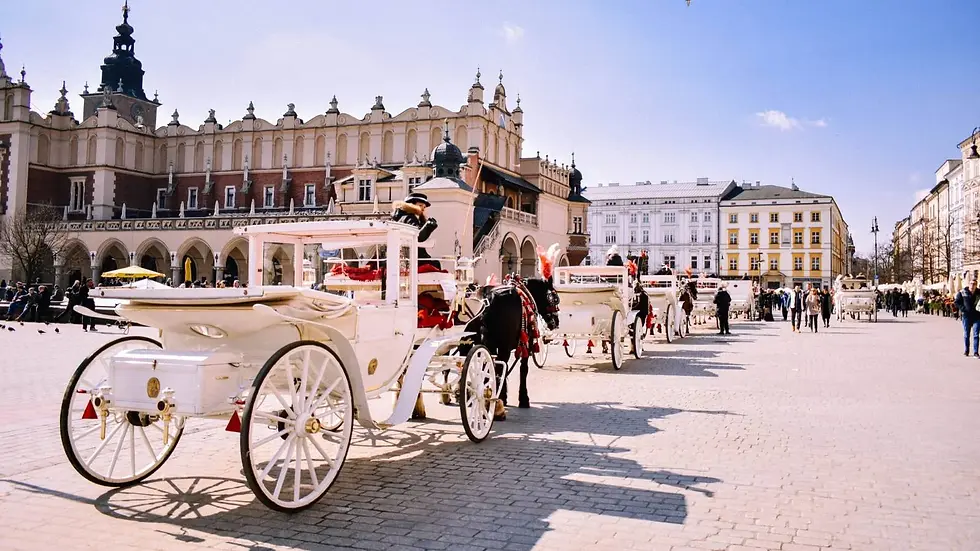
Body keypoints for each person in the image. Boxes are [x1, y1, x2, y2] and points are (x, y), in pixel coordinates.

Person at [391, 192, 440, 270]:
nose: (423, 209)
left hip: (405, 258)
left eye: (424, 207)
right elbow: (418, 237)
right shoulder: (410, 218)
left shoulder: (401, 218)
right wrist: (429, 225)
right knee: (436, 264)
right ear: (411, 204)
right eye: (420, 205)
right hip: (413, 258)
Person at [954, 278, 980, 357]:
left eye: (974, 284)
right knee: (966, 334)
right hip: (966, 316)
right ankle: (966, 350)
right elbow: (956, 302)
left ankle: (976, 352)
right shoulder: (962, 292)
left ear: (976, 285)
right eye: (971, 283)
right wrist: (963, 309)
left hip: (977, 316)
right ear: (968, 284)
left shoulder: (979, 293)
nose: (972, 285)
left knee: (976, 334)